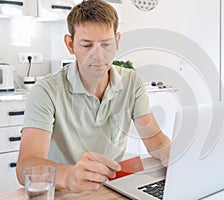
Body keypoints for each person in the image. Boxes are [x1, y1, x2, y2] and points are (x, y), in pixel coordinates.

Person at [16, 0, 170, 192]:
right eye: (87, 45)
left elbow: (154, 137)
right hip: (64, 190)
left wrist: (169, 151)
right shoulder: (46, 90)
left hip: (113, 187)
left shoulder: (131, 81)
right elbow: (25, 165)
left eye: (106, 44)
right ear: (70, 44)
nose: (99, 56)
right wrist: (69, 175)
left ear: (117, 41)